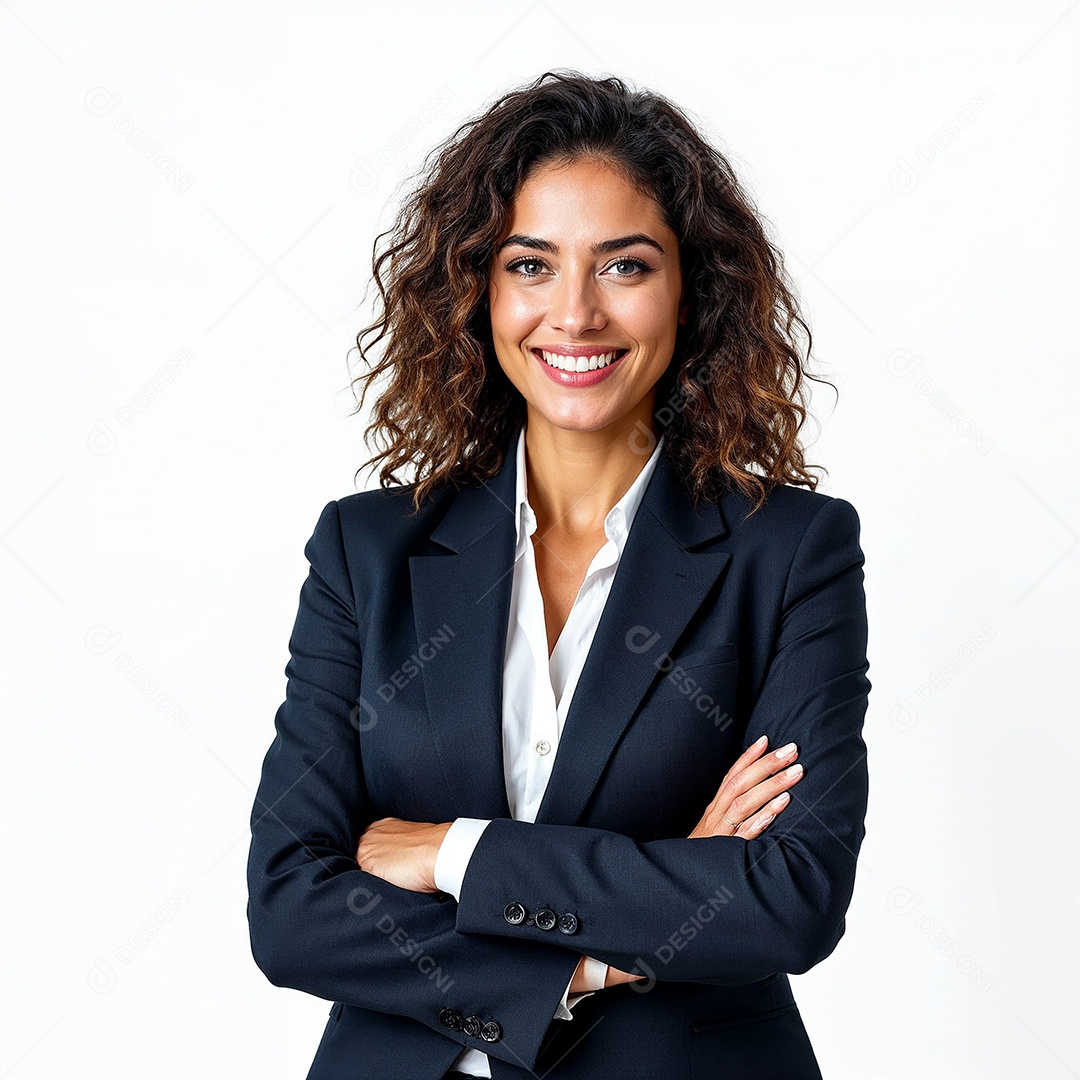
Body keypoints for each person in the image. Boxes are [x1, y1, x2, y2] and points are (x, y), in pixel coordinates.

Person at [246, 70, 871, 1080]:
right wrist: (601, 954)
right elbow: (291, 911)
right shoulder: (368, 552)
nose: (573, 314)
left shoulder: (789, 553)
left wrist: (452, 852)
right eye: (531, 265)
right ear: (479, 289)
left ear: (690, 288)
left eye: (624, 266)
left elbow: (785, 900)